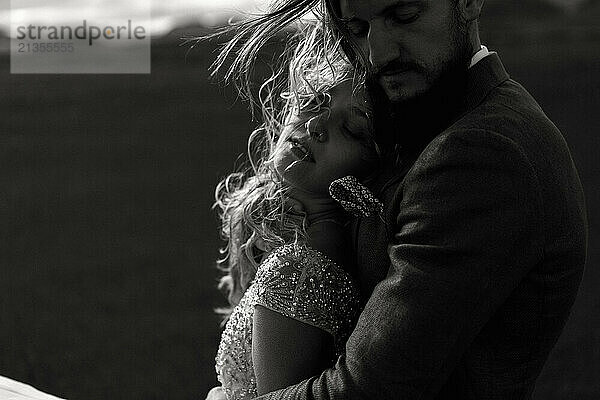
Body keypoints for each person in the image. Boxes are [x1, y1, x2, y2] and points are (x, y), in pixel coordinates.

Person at [206, 0, 588, 398]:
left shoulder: (481, 151)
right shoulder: (423, 120)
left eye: (403, 16)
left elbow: (371, 388)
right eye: (357, 28)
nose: (378, 53)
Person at [211, 28, 389, 397]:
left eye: (352, 129)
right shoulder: (300, 235)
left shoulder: (300, 269)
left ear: (373, 167)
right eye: (315, 100)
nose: (315, 125)